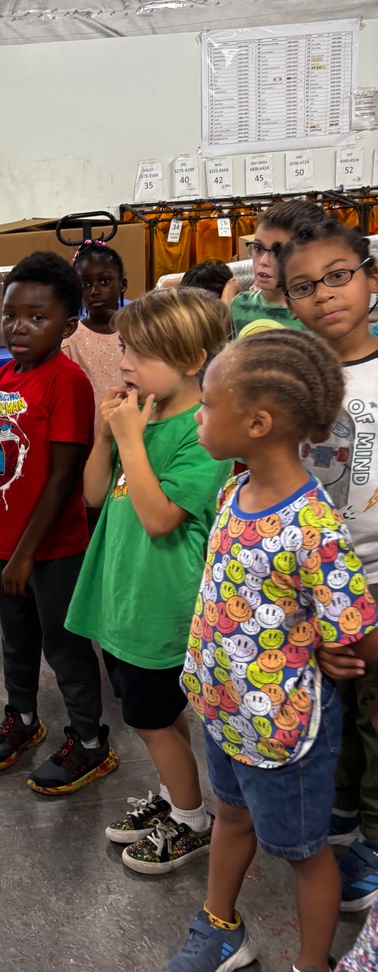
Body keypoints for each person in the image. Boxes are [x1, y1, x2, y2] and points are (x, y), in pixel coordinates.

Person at [163, 330, 378, 972]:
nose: (197, 415)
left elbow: (360, 630)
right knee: (230, 817)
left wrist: (331, 646)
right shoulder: (234, 489)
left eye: (208, 404)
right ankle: (221, 926)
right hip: (226, 714)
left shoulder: (314, 524)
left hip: (285, 730)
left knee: (305, 851)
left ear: (257, 423)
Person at [66, 289, 234, 871]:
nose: (125, 363)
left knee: (149, 719)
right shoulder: (145, 411)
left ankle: (191, 821)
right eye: (126, 349)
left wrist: (133, 442)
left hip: (161, 603)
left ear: (193, 359)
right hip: (123, 593)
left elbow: (160, 518)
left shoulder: (204, 430)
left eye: (140, 352)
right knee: (161, 718)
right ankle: (174, 798)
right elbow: (92, 494)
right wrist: (107, 436)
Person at [0, 251, 115, 793]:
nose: (19, 327)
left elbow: (61, 478)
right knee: (15, 639)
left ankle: (89, 742)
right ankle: (25, 721)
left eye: (38, 317)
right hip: (9, 542)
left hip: (52, 550)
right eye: (12, 314)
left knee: (64, 644)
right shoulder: (8, 374)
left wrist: (28, 552)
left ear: (67, 323)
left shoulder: (68, 380)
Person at [281, 215, 378, 911]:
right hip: (312, 587)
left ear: (370, 276)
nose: (325, 295)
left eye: (338, 276)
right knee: (333, 708)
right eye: (304, 286)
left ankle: (375, 835)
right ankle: (345, 809)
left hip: (377, 581)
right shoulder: (289, 379)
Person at [229, 199, 321, 338]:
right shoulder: (240, 306)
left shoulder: (319, 315)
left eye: (278, 252)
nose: (264, 261)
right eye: (258, 248)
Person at [62, 240, 127, 432]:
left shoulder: (138, 334)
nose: (95, 291)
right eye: (85, 284)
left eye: (104, 281)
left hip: (136, 434)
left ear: (122, 284)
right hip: (91, 442)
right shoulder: (69, 343)